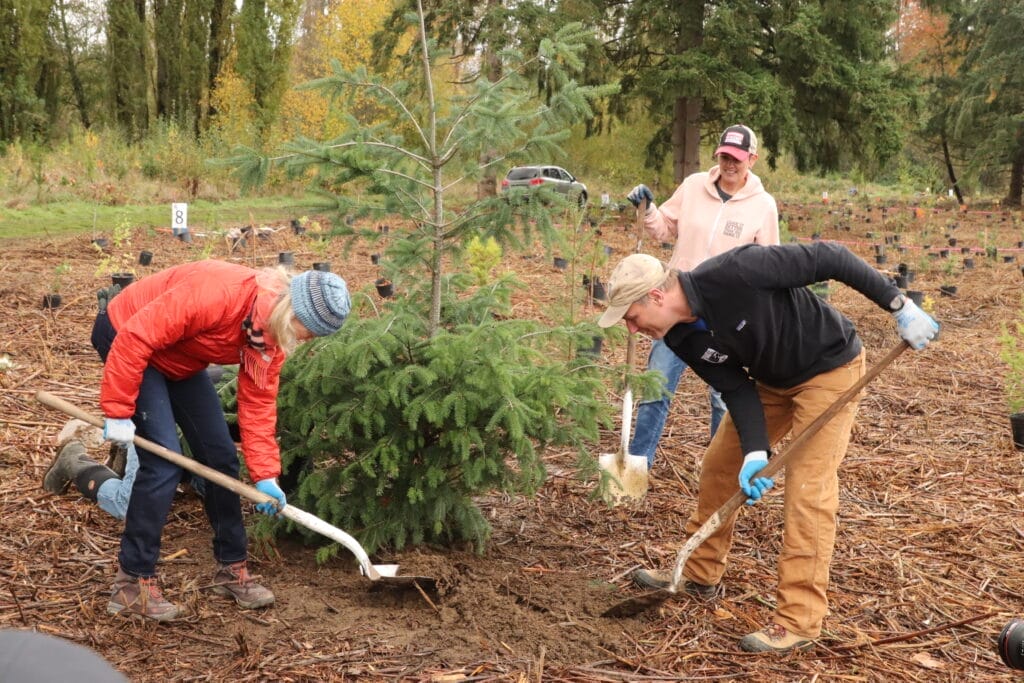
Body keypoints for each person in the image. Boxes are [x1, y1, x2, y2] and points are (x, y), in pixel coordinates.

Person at [597, 242, 938, 652]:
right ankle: (700, 572)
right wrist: (755, 450)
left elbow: (832, 257)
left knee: (807, 488)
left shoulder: (740, 270)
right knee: (720, 466)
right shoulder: (679, 337)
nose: (632, 329)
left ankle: (799, 620)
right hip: (771, 383)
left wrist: (898, 304)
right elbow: (736, 388)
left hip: (830, 369)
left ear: (655, 296)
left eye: (632, 317)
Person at [86, 261, 351, 622]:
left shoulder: (269, 336)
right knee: (164, 462)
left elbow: (257, 405)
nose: (304, 339)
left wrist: (266, 475)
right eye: (305, 329)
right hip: (127, 334)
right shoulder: (219, 294)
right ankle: (131, 584)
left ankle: (231, 569)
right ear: (290, 307)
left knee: (221, 458)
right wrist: (117, 409)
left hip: (180, 357)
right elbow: (137, 336)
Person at [625, 124, 779, 469]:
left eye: (737, 159)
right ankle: (636, 467)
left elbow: (770, 263)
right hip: (675, 307)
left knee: (724, 401)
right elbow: (665, 227)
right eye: (724, 156)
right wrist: (649, 210)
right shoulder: (694, 186)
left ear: (751, 159)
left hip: (725, 317)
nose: (729, 164)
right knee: (656, 389)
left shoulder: (763, 206)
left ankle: (718, 472)